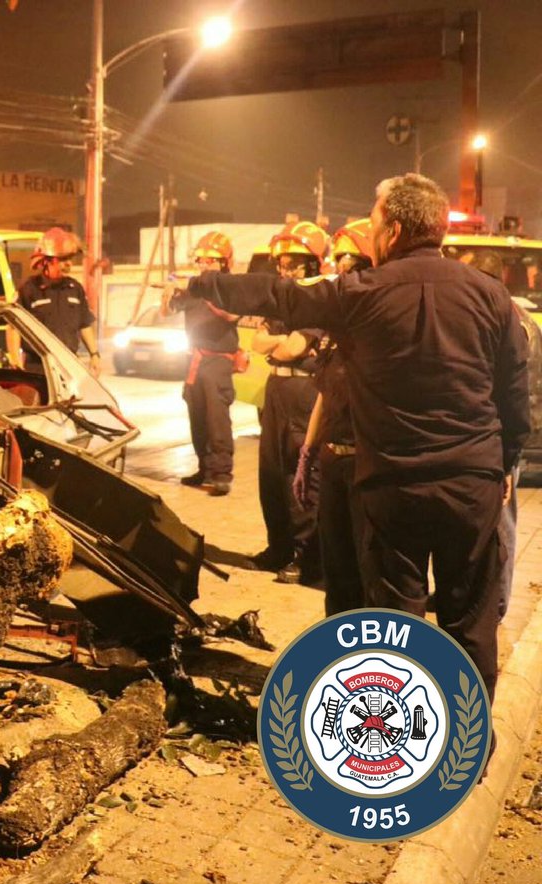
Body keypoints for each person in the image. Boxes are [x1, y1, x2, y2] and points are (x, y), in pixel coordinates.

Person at [165, 173, 531, 702]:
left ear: (396, 229)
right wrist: (506, 462)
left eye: (376, 221)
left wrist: (202, 284)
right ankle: (468, 743)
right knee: (469, 620)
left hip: (392, 486)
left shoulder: (363, 293)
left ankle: (408, 742)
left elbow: (281, 296)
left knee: (396, 626)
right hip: (471, 483)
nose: (373, 233)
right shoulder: (491, 296)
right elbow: (513, 392)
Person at [293, 218, 374, 615]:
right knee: (338, 573)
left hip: (371, 467)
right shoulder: (334, 327)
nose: (341, 266)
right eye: (338, 258)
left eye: (351, 259)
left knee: (370, 574)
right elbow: (325, 395)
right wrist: (307, 452)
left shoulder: (381, 325)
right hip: (333, 460)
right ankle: (340, 657)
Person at [250, 221, 329, 583]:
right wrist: (279, 344)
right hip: (276, 391)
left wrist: (280, 344)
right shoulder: (281, 302)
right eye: (282, 262)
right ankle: (278, 546)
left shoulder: (319, 301)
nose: (285, 269)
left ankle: (304, 554)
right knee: (270, 473)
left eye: (293, 262)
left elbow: (294, 347)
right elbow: (259, 343)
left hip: (303, 392)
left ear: (311, 265)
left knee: (299, 475)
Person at [177, 231, 240, 496]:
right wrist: (171, 290)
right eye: (200, 260)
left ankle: (222, 473)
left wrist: (208, 294)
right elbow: (167, 308)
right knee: (197, 415)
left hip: (217, 361)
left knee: (217, 418)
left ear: (224, 263)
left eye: (210, 260)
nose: (204, 265)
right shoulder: (193, 287)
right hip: (194, 358)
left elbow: (233, 314)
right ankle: (204, 467)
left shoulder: (230, 287)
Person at [13, 227, 100, 376]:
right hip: (38, 367)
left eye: (70, 259)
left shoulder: (75, 288)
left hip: (69, 364)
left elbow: (84, 324)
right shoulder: (29, 289)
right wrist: (15, 362)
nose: (69, 264)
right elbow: (13, 328)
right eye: (62, 259)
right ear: (47, 261)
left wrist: (94, 354)